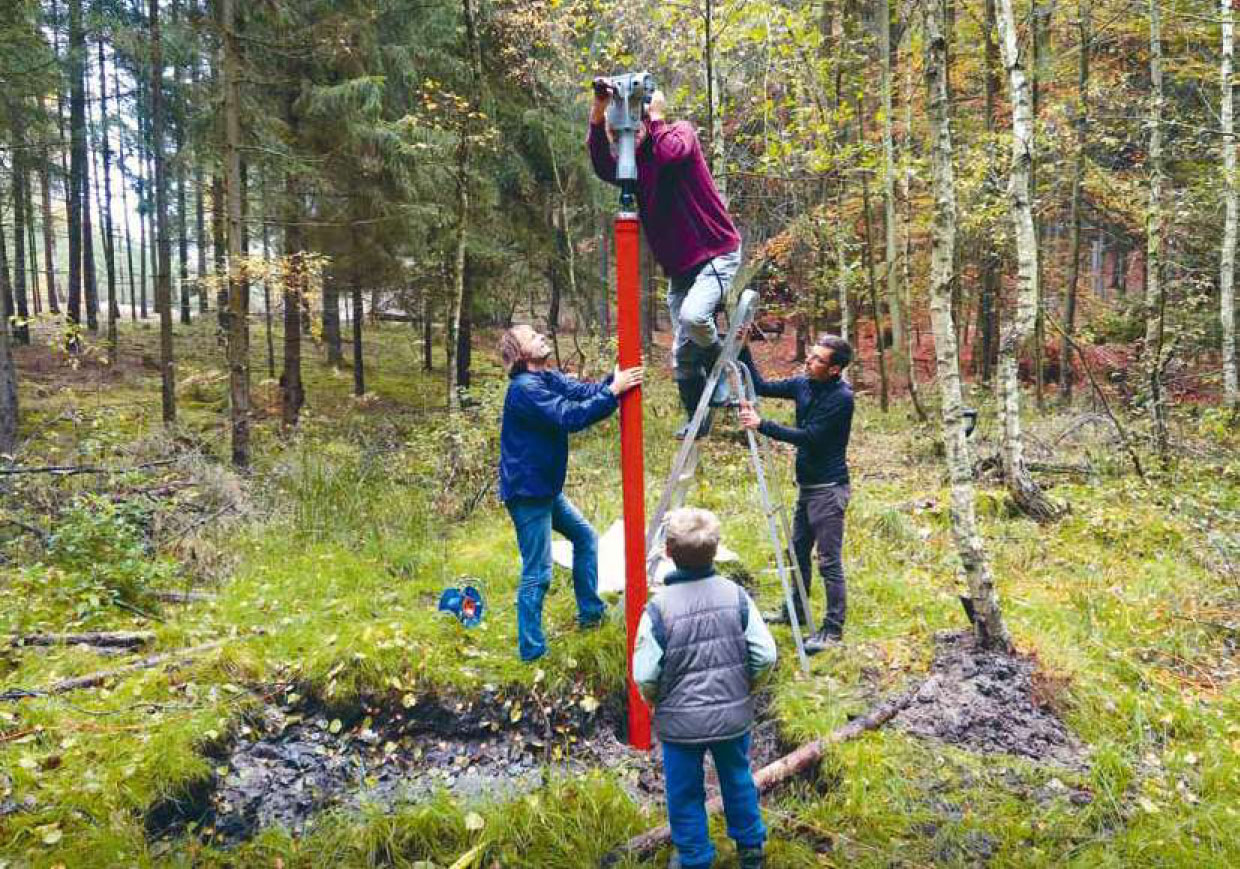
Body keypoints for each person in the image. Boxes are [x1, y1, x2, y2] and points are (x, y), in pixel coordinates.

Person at [588, 82, 742, 438]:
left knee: (692, 317)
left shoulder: (678, 134)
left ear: (645, 122)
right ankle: (698, 419)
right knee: (681, 354)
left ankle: (723, 371)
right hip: (681, 268)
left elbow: (673, 153)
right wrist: (598, 112)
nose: (630, 136)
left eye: (636, 128)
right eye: (620, 133)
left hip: (716, 251)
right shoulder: (632, 167)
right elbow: (599, 163)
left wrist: (656, 116)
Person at [634, 507, 777, 869]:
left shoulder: (657, 609)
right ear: (717, 550)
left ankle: (695, 857)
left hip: (680, 726)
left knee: (683, 794)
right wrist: (746, 686)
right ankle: (751, 849)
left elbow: (645, 674)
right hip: (732, 717)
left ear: (668, 552)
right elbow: (765, 655)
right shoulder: (736, 595)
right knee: (738, 778)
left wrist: (655, 702)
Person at [498, 325, 643, 663]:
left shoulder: (546, 377)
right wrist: (613, 393)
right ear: (520, 353)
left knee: (585, 538)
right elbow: (570, 416)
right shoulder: (524, 389)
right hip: (528, 494)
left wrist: (613, 380)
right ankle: (532, 653)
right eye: (532, 337)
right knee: (538, 572)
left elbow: (582, 391)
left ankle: (591, 615)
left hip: (546, 489)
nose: (542, 337)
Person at [738, 335, 854, 654]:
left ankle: (832, 631)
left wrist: (761, 424)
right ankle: (797, 612)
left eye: (818, 359)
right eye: (811, 355)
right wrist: (744, 347)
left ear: (834, 369)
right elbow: (760, 386)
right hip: (807, 487)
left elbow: (810, 437)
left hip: (829, 491)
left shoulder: (842, 398)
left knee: (828, 562)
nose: (809, 361)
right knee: (798, 552)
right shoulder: (803, 384)